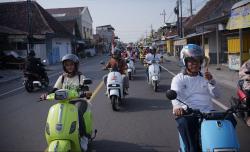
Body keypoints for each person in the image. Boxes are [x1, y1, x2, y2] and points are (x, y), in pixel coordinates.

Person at [170, 44, 221, 152]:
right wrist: (177, 107)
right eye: (191, 62)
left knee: (229, 120)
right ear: (185, 62)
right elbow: (174, 94)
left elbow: (217, 95)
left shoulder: (205, 76)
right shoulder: (178, 79)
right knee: (184, 123)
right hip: (188, 113)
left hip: (208, 112)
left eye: (197, 61)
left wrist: (212, 81)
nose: (195, 65)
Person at [40, 54, 90, 151]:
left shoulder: (80, 77)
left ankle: (83, 136)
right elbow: (54, 89)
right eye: (67, 65)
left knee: (78, 112)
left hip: (78, 101)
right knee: (56, 113)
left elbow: (85, 88)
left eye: (71, 64)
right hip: (65, 102)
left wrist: (85, 92)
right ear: (64, 66)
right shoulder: (62, 77)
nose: (69, 67)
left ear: (75, 65)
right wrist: (46, 95)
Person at [239, 59, 250, 126]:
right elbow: (241, 73)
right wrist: (248, 77)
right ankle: (248, 116)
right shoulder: (248, 63)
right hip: (248, 83)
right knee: (249, 95)